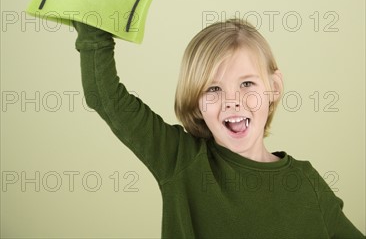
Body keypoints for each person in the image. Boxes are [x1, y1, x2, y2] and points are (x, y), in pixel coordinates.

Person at [74, 17, 364, 239]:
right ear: (197, 103)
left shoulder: (307, 183)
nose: (232, 101)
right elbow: (104, 95)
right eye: (213, 88)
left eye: (247, 83)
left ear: (273, 87)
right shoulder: (182, 160)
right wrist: (93, 14)